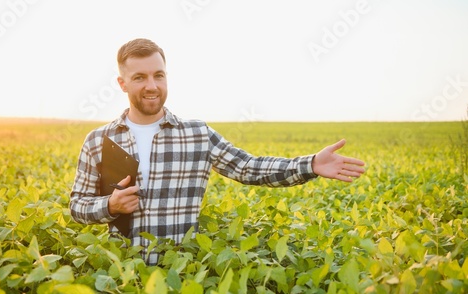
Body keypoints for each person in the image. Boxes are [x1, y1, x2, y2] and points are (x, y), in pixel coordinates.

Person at [69, 38, 366, 265]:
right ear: (122, 83)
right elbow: (77, 207)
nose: (152, 85)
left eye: (158, 75)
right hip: (121, 274)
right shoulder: (99, 140)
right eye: (140, 78)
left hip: (182, 273)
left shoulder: (197, 134)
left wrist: (310, 164)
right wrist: (110, 206)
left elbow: (249, 167)